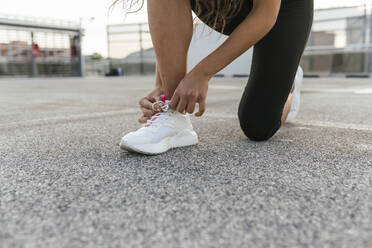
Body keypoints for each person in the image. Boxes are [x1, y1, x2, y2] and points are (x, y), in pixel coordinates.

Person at [119, 0, 313, 155]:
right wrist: (162, 85)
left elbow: (265, 14)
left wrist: (202, 73)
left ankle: (289, 85)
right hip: (226, 7)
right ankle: (174, 118)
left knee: (258, 126)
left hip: (281, 12)